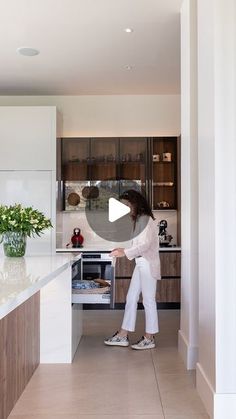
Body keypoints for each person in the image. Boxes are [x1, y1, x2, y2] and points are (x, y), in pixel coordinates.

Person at [104, 189, 161, 350]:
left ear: (135, 203)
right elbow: (137, 245)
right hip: (140, 263)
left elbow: (145, 245)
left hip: (148, 264)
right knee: (131, 298)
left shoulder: (145, 219)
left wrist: (124, 252)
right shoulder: (139, 220)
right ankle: (123, 334)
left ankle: (149, 337)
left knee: (148, 300)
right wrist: (122, 248)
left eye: (127, 205)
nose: (126, 208)